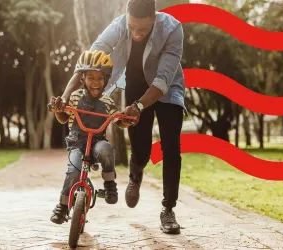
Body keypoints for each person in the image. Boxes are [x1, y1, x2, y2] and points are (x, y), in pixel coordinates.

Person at [53, 0, 186, 234]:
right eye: (132, 27)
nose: (136, 34)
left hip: (167, 90)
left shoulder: (172, 29)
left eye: (143, 30)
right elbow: (88, 62)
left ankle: (168, 209)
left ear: (154, 18)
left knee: (171, 149)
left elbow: (162, 80)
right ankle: (136, 175)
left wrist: (138, 106)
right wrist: (65, 96)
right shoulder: (118, 26)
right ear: (126, 18)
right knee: (141, 148)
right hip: (135, 85)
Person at [49, 50, 132, 225]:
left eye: (100, 78)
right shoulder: (74, 96)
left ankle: (110, 184)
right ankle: (63, 206)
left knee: (106, 149)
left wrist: (126, 120)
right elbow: (64, 117)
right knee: (73, 171)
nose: (95, 83)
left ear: (106, 80)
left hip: (97, 143)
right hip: (76, 144)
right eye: (91, 78)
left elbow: (118, 120)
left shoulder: (108, 101)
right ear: (82, 79)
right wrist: (58, 111)